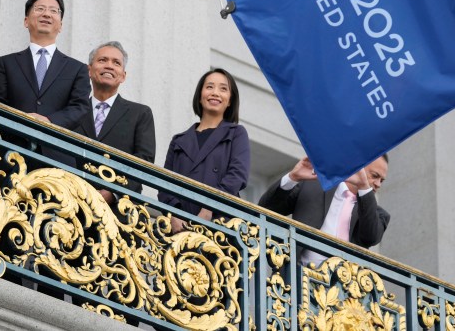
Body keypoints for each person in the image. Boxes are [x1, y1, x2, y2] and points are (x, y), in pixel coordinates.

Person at [159, 68, 250, 232]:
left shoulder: (236, 133)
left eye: (223, 89)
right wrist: (174, 214)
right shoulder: (178, 140)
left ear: (229, 100)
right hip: (179, 228)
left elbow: (237, 176)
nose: (215, 93)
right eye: (209, 87)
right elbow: (166, 184)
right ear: (200, 96)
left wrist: (209, 209)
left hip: (220, 226)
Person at [0, 0, 89, 129]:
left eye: (54, 11)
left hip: (55, 147)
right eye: (40, 9)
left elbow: (79, 108)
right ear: (26, 21)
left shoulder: (77, 69)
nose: (46, 14)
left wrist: (49, 121)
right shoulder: (5, 64)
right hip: (13, 144)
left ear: (60, 26)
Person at [72, 41, 156, 204]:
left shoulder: (140, 114)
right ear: (89, 70)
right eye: (102, 60)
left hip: (119, 212)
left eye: (116, 63)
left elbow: (143, 162)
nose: (109, 66)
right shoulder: (73, 111)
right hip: (72, 204)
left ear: (123, 75)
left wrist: (113, 192)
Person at [258, 154, 390, 252]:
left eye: (382, 180)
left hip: (344, 285)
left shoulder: (379, 215)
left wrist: (364, 188)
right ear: (358, 167)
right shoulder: (312, 187)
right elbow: (267, 209)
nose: (378, 184)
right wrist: (292, 178)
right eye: (374, 175)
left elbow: (370, 237)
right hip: (298, 279)